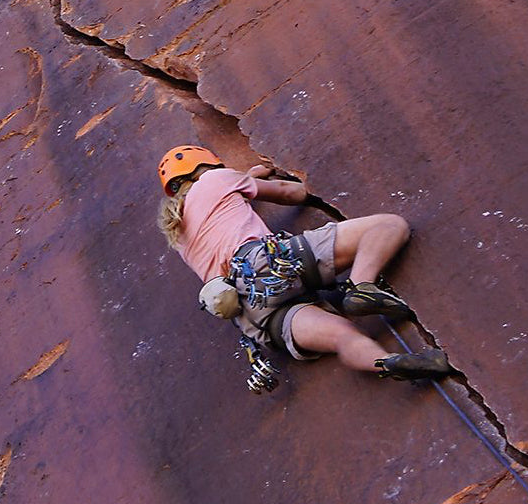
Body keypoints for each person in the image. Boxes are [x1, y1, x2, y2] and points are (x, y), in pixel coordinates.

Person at [156, 145, 451, 380]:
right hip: (271, 267)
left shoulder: (178, 235)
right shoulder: (214, 180)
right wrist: (282, 180)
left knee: (342, 337)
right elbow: (292, 193)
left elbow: (223, 216)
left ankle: (386, 362)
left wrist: (249, 179)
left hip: (253, 313)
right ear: (204, 166)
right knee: (389, 226)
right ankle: (361, 287)